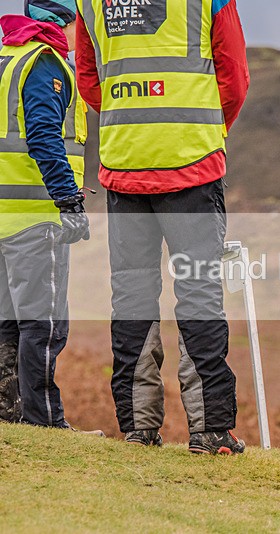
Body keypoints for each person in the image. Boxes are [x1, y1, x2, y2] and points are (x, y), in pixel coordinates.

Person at [75, 0, 249, 454]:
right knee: (199, 294)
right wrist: (207, 130)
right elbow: (234, 75)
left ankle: (138, 427)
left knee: (132, 296)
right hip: (192, 164)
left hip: (124, 163)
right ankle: (209, 431)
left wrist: (130, 122)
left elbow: (89, 79)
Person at [0, 0, 98, 432]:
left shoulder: (8, 57)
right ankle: (45, 421)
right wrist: (68, 201)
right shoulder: (45, 62)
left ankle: (10, 413)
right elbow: (43, 136)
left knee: (8, 324)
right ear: (66, 20)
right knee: (44, 325)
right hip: (36, 217)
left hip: (5, 214)